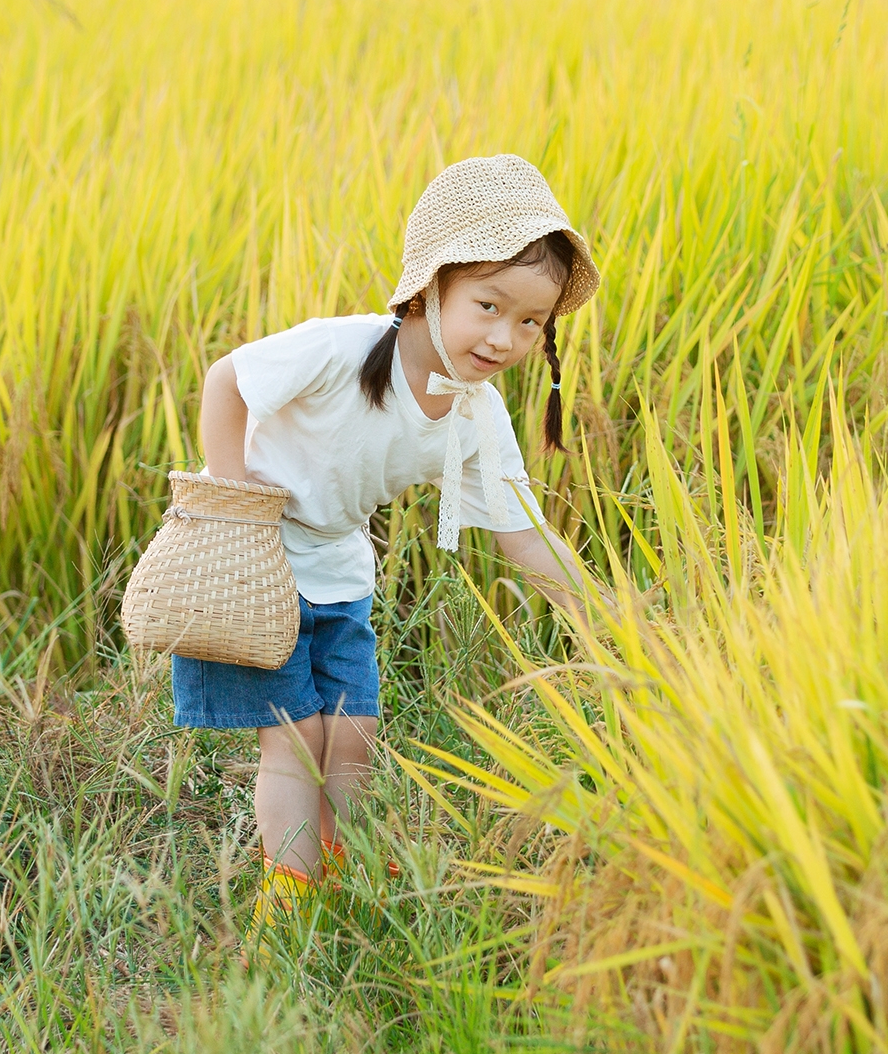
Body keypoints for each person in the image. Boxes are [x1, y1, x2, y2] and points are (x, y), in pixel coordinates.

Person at [177, 154, 599, 920]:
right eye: (489, 305)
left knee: (354, 733)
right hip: (256, 560)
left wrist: (608, 621)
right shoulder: (341, 349)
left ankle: (334, 880)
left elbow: (527, 539)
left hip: (338, 572)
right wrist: (234, 494)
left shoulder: (477, 413)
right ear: (431, 287)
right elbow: (226, 381)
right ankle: (289, 908)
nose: (506, 337)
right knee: (295, 737)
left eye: (531, 321)